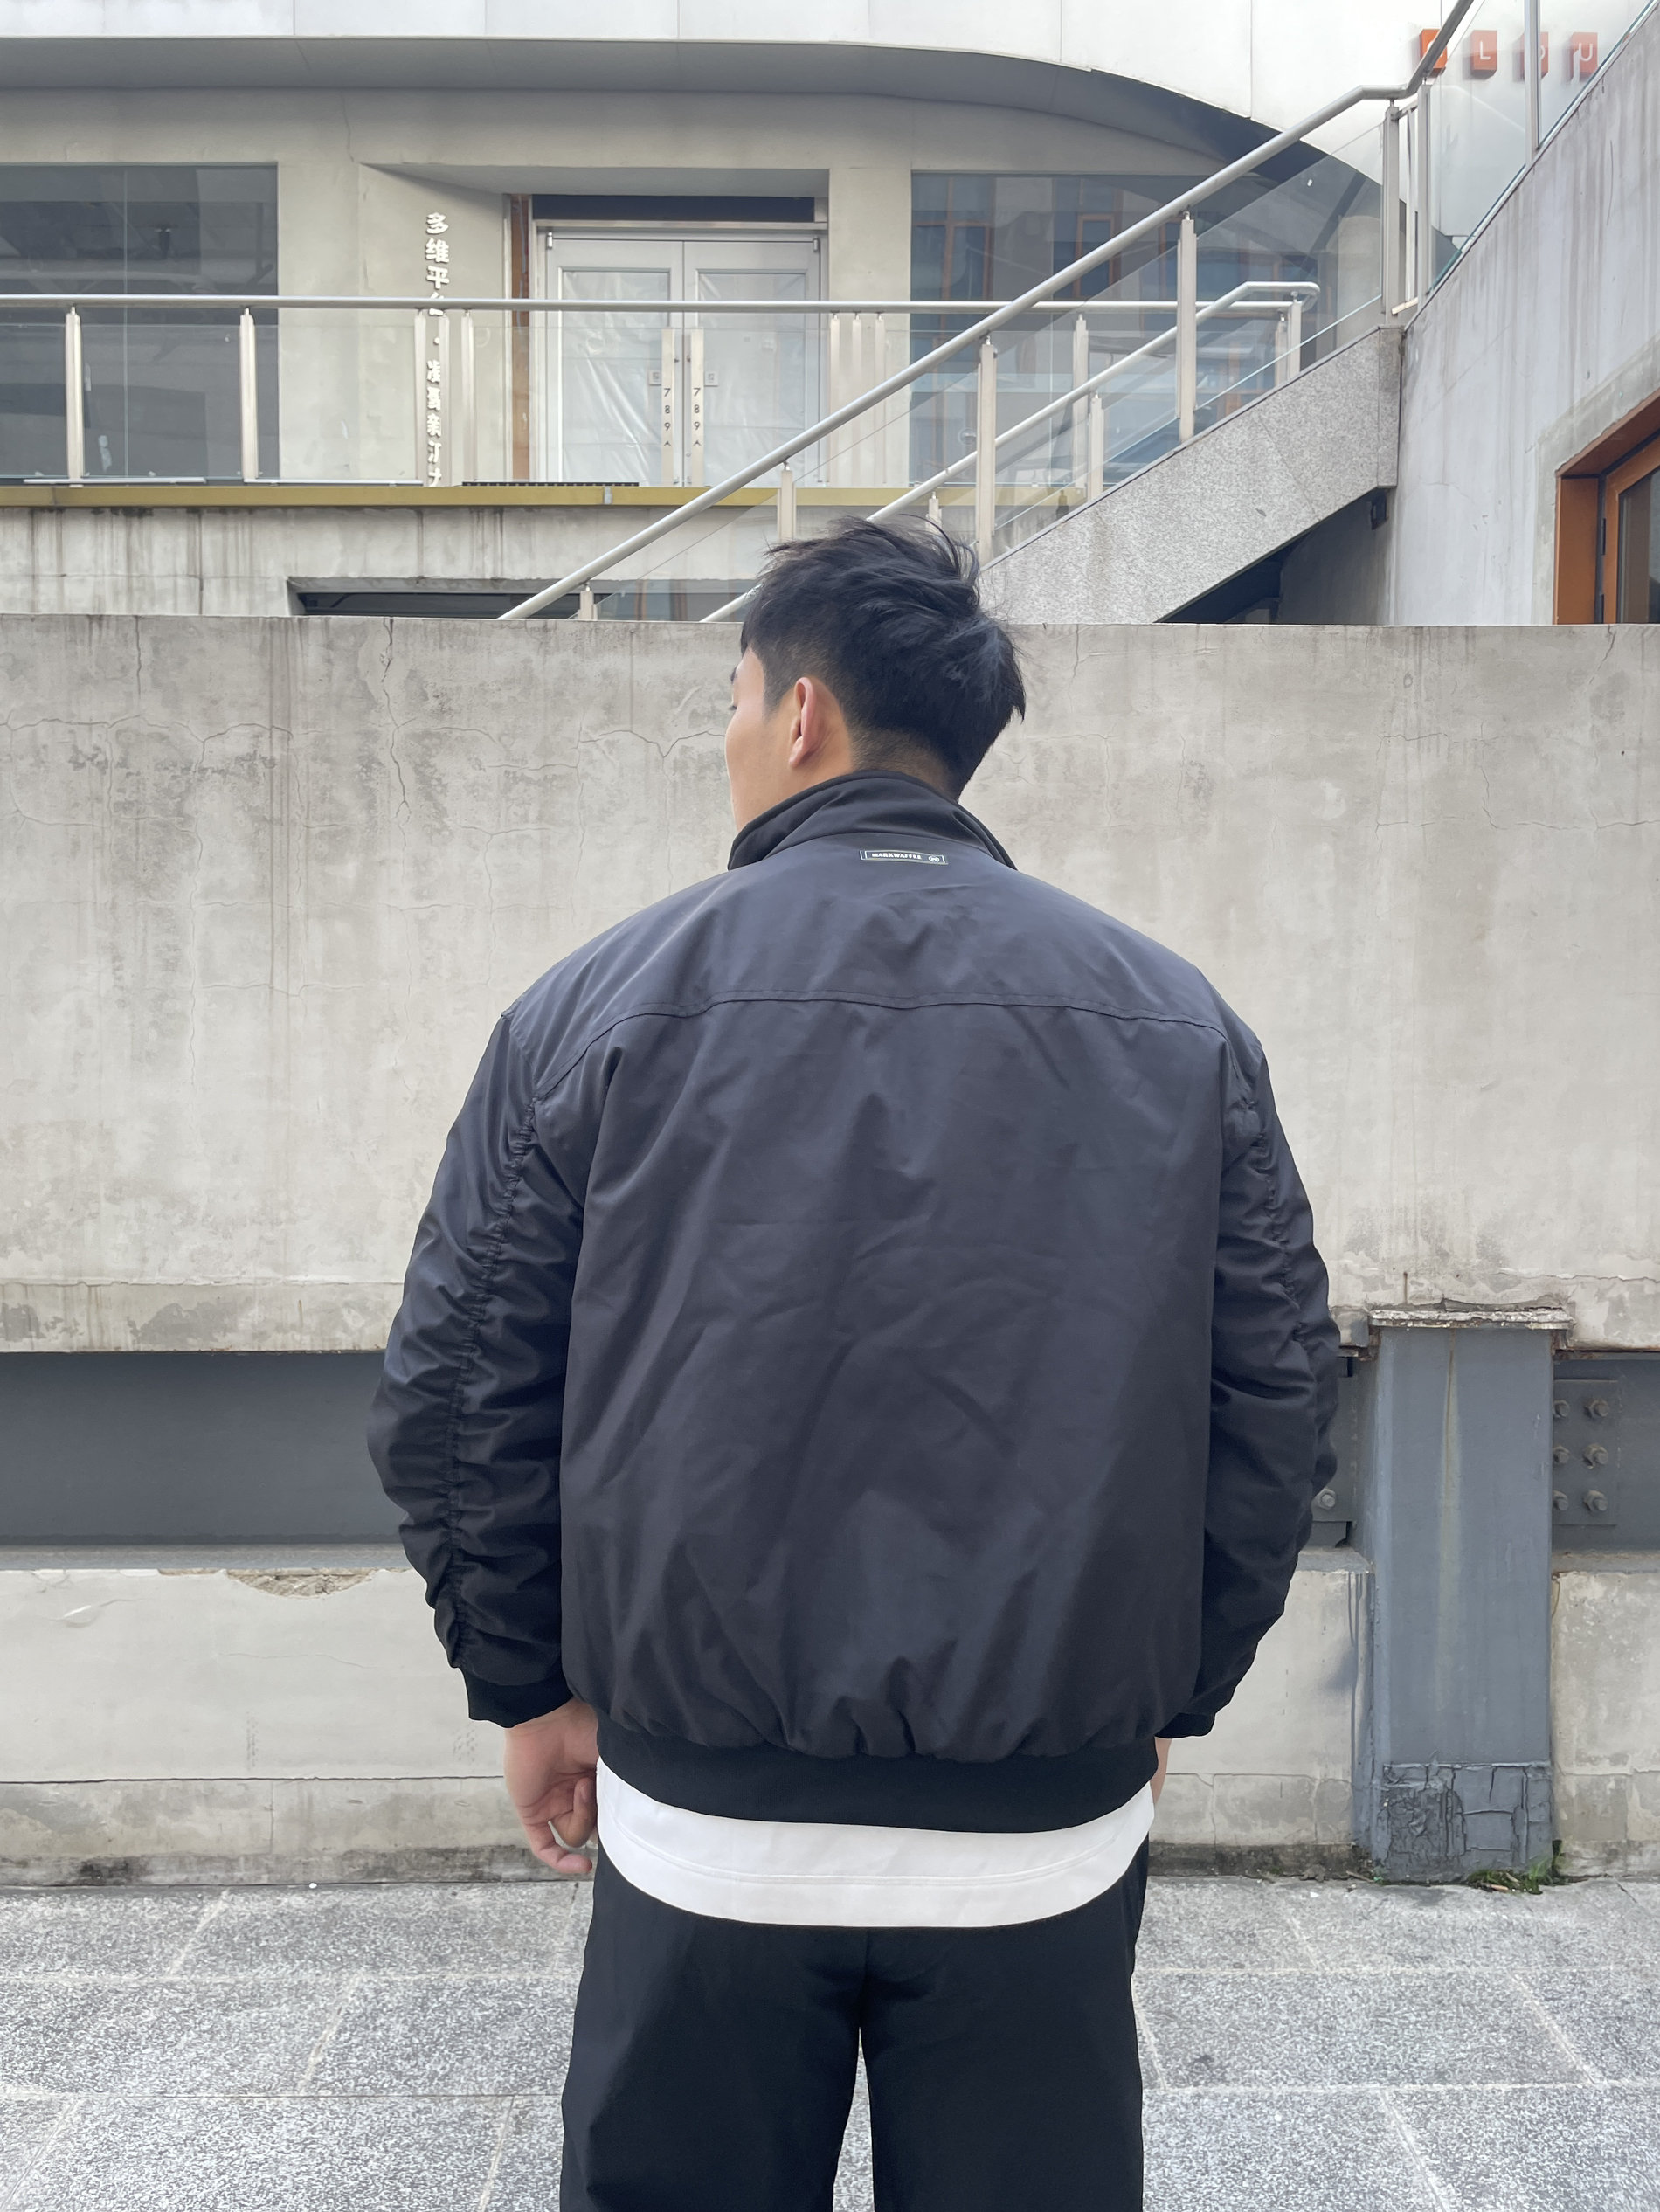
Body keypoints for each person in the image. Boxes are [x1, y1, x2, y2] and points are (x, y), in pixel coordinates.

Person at [370, 517, 1338, 2212]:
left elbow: (459, 1389)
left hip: (706, 1825)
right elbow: (1274, 1400)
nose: (731, 734)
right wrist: (1161, 1687)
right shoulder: (1177, 1024)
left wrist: (525, 1684)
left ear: (800, 713)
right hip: (1041, 1834)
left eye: (734, 698)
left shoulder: (592, 1009)